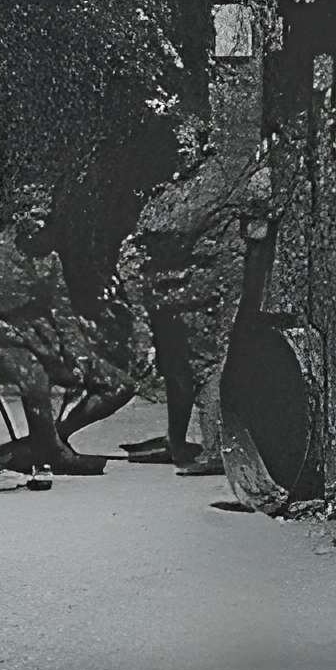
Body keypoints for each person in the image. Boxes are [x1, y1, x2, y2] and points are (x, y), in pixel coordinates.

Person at [0, 186, 138, 476]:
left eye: (46, 221)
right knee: (35, 381)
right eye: (35, 218)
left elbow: (63, 311)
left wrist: (78, 353)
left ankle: (47, 441)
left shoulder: (50, 258)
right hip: (1, 339)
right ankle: (54, 451)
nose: (41, 230)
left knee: (119, 385)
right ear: (20, 219)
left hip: (44, 337)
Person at [126, 147, 268, 474]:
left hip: (199, 293)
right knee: (180, 374)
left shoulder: (205, 185)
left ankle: (215, 451)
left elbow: (175, 227)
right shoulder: (177, 186)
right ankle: (180, 444)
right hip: (172, 294)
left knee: (205, 371)